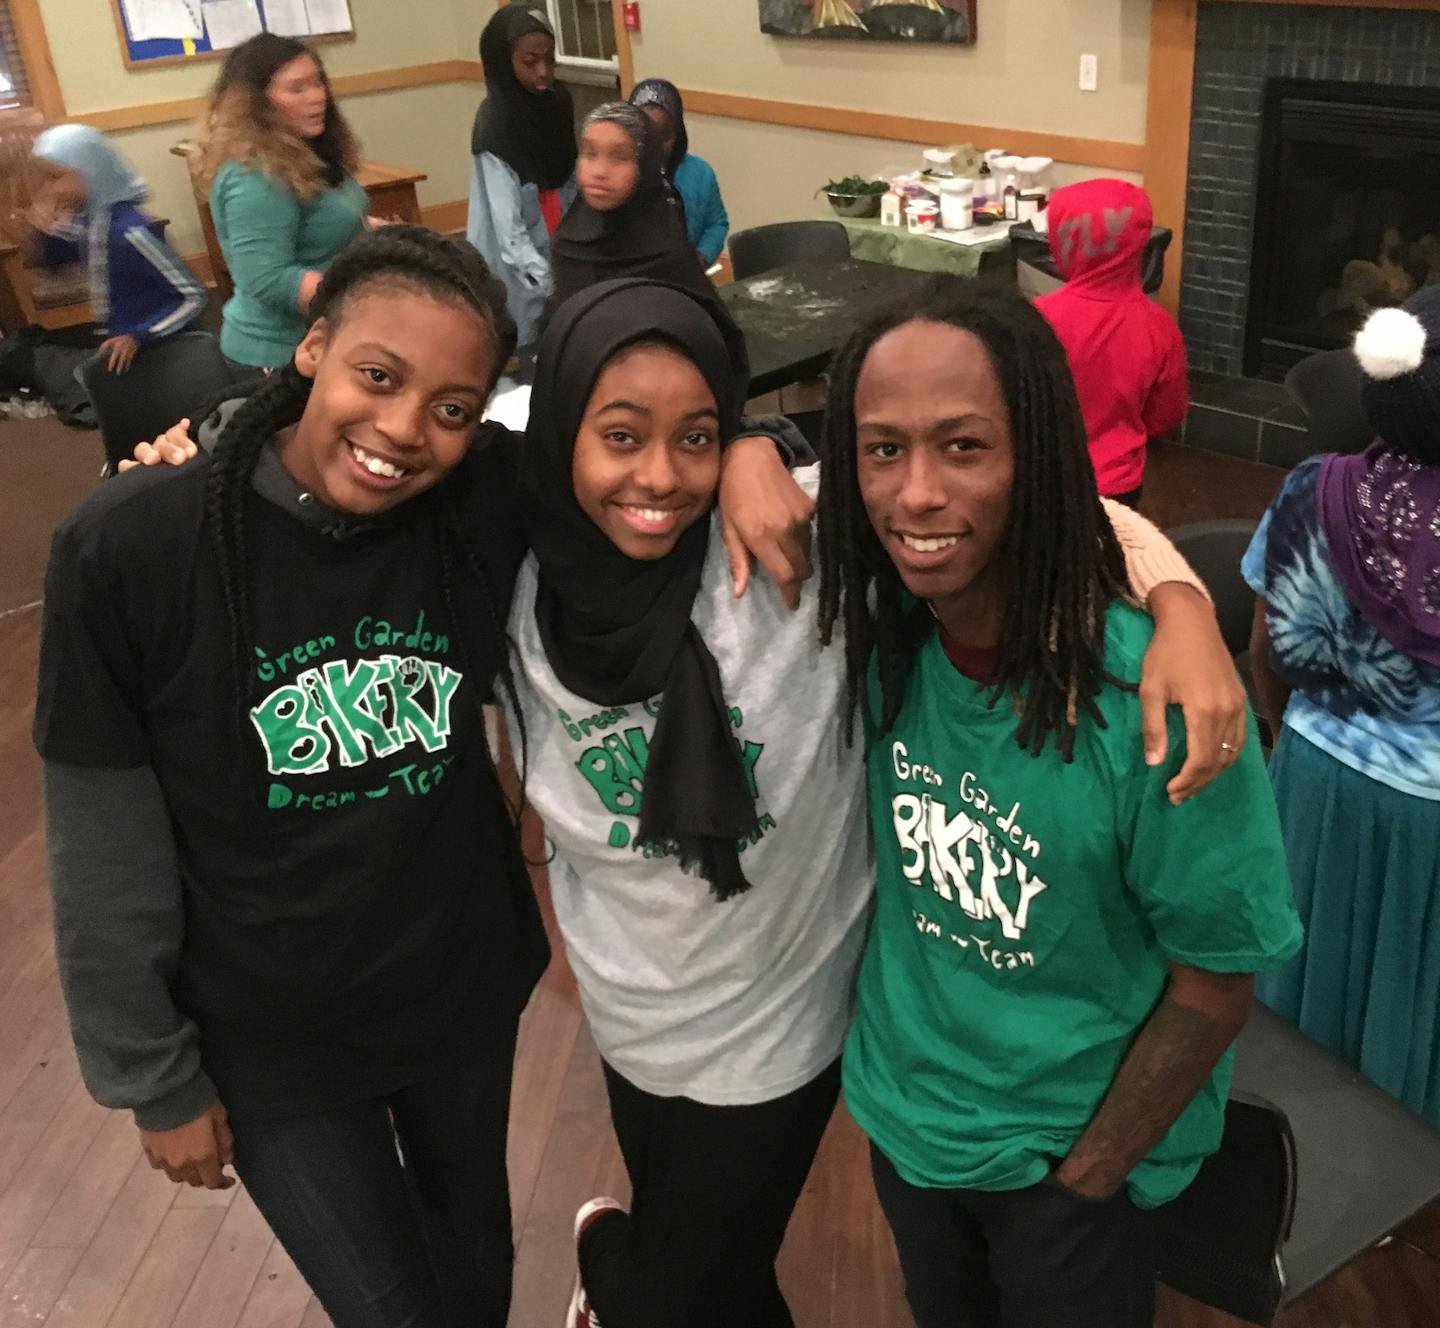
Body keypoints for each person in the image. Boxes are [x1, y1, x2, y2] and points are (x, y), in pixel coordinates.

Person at [510, 277, 1255, 1328]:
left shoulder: (820, 561)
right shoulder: (508, 569)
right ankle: (630, 1253)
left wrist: (1183, 602)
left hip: (794, 1025)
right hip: (641, 1012)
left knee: (684, 1289)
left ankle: (611, 1255)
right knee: (721, 1274)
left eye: (699, 437)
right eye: (620, 434)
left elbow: (1048, 513)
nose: (659, 474)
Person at [815, 279, 1301, 1328]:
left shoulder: (1154, 698)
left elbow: (1216, 982)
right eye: (883, 449)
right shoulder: (883, 622)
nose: (916, 494)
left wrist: (1088, 1173)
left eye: (965, 447)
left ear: (1035, 456)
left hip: (1066, 1166)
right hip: (908, 1119)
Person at [1245, 291, 1440, 1128]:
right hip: (1429, 823)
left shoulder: (1314, 486)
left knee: (1299, 999)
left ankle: (1295, 1159)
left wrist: (1284, 733)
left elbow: (1269, 648)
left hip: (1314, 778)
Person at [195, 33, 369, 374]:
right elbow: (269, 278)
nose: (317, 96)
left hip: (325, 339)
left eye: (318, 82)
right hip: (277, 355)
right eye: (297, 88)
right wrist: (368, 292)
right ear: (257, 102)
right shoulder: (255, 175)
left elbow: (326, 226)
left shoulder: (305, 152)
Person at [1035, 178, 1188, 507]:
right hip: (1117, 485)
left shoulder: (1036, 317)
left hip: (1043, 475)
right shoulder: (1160, 327)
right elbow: (1166, 415)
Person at [25, 124, 205, 373]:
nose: (50, 189)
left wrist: (138, 335)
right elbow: (54, 261)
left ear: (92, 172)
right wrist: (43, 232)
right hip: (123, 345)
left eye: (56, 177)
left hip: (166, 351)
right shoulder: (89, 222)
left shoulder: (130, 231)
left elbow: (193, 297)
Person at [467, 5, 577, 352]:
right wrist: (548, 281)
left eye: (550, 59)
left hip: (555, 234)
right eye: (530, 62)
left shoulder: (558, 101)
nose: (543, 72)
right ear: (504, 60)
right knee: (524, 343)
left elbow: (571, 179)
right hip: (515, 261)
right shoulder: (495, 123)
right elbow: (509, 234)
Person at [546, 103, 715, 326]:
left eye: (618, 157)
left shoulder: (667, 254)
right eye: (590, 153)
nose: (599, 171)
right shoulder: (567, 243)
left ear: (644, 166)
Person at [628, 79, 729, 267]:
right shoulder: (621, 174)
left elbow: (716, 224)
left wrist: (702, 256)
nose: (655, 146)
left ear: (677, 133)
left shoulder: (700, 173)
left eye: (663, 135)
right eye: (645, 135)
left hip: (689, 271)